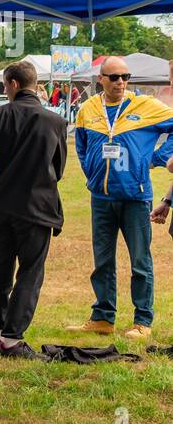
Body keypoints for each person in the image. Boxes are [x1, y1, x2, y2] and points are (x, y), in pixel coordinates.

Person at [68, 56, 173, 341]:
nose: (121, 82)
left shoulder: (145, 106)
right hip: (101, 197)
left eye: (125, 77)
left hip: (135, 197)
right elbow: (81, 145)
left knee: (140, 260)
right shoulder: (88, 108)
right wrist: (91, 172)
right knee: (102, 260)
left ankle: (142, 320)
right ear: (100, 78)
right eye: (114, 77)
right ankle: (102, 317)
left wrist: (161, 157)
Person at [0, 61, 68, 357]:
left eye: (5, 86)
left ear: (13, 84)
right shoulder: (55, 122)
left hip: (3, 206)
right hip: (38, 206)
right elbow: (59, 168)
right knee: (31, 273)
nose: (5, 90)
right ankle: (11, 336)